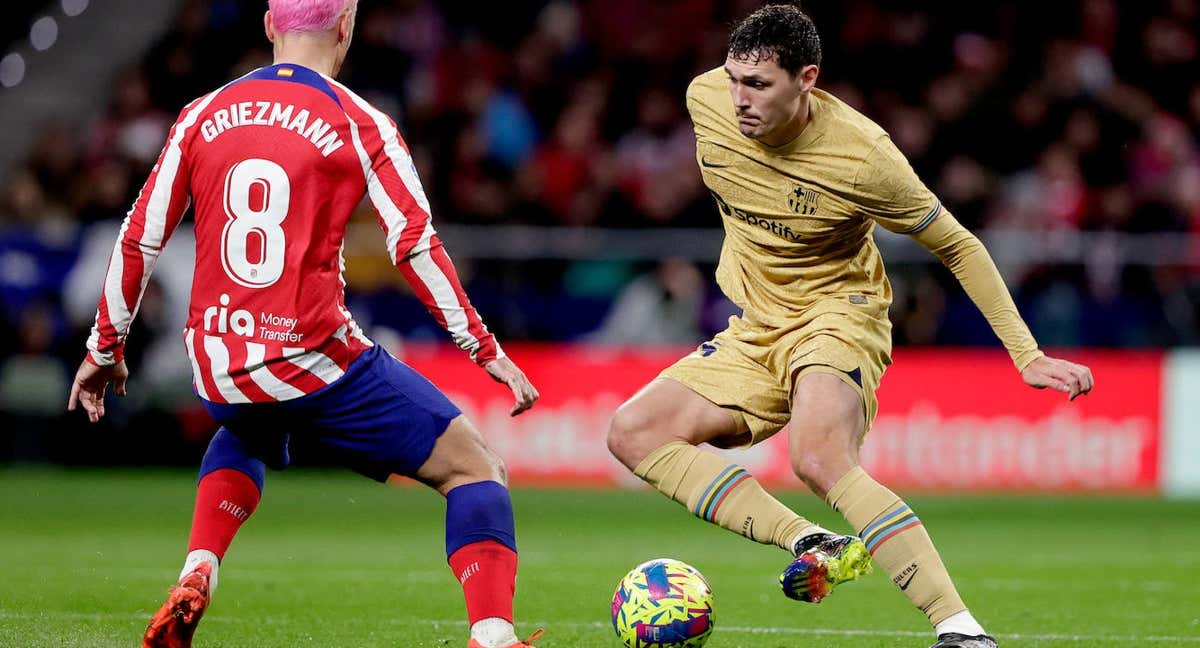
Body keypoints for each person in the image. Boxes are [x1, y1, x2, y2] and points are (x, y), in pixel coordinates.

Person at [605, 6, 1094, 648]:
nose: (739, 99)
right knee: (633, 432)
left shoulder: (864, 156)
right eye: (733, 79)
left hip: (840, 315)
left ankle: (961, 631)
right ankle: (813, 541)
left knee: (818, 457)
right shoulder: (706, 100)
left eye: (759, 85)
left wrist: (1024, 354)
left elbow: (958, 245)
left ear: (807, 79)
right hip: (756, 325)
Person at [66, 2, 543, 647]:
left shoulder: (201, 114)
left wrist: (104, 346)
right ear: (345, 26)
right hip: (311, 357)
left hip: (217, 363)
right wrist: (484, 350)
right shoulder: (361, 121)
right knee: (476, 469)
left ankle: (197, 569)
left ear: (270, 26)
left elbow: (139, 238)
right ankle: (492, 637)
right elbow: (415, 246)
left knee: (250, 425)